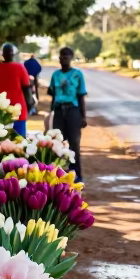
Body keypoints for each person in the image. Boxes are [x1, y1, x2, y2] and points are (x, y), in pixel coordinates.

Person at [48, 47, 87, 181]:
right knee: (57, 143)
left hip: (73, 111)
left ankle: (77, 175)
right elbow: (53, 96)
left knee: (74, 144)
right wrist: (50, 115)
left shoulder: (77, 74)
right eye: (62, 56)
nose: (63, 59)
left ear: (71, 58)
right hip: (58, 111)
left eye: (66, 56)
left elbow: (81, 97)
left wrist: (83, 117)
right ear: (58, 58)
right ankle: (59, 174)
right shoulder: (55, 75)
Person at [0, 43, 33, 136]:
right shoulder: (20, 67)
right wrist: (30, 106)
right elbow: (26, 89)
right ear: (13, 54)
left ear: (3, 54)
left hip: (0, 111)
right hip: (18, 111)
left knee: (1, 143)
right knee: (20, 143)